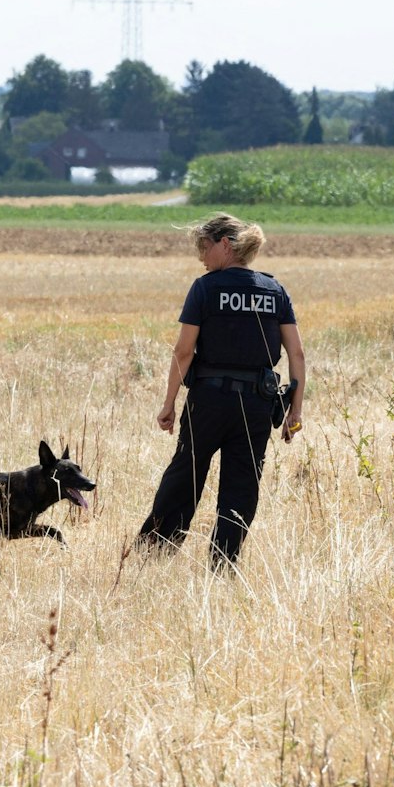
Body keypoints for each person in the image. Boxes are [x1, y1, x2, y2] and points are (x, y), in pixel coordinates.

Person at [136, 212, 305, 568]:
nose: (200, 255)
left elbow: (184, 351)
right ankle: (223, 563)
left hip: (209, 402)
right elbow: (296, 353)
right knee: (242, 486)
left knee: (185, 476)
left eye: (204, 246)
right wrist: (296, 412)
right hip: (258, 405)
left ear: (225, 245)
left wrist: (168, 403)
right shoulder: (275, 291)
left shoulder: (205, 288)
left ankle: (153, 554)